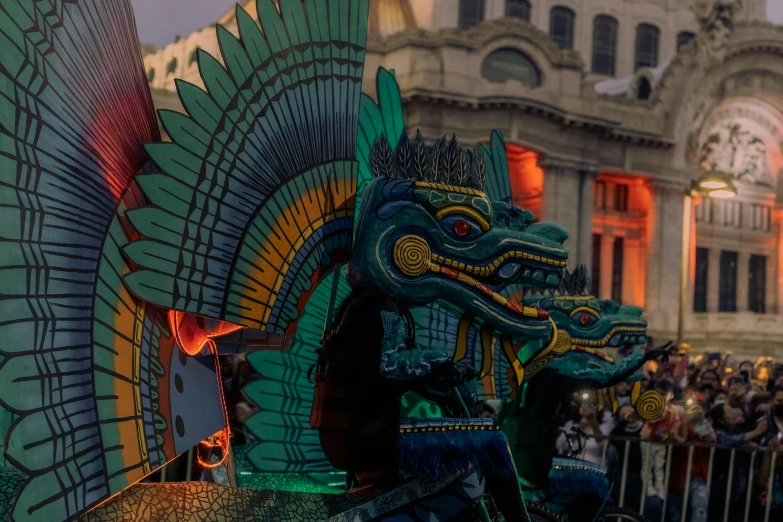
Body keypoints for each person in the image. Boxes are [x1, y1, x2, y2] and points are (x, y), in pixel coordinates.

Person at [668, 393, 713, 522]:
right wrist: (686, 423)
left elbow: (711, 440)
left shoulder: (703, 424)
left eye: (700, 406)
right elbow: (673, 437)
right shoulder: (676, 421)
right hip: (676, 477)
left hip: (697, 476)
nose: (696, 409)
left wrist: (700, 422)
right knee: (676, 515)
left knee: (700, 508)